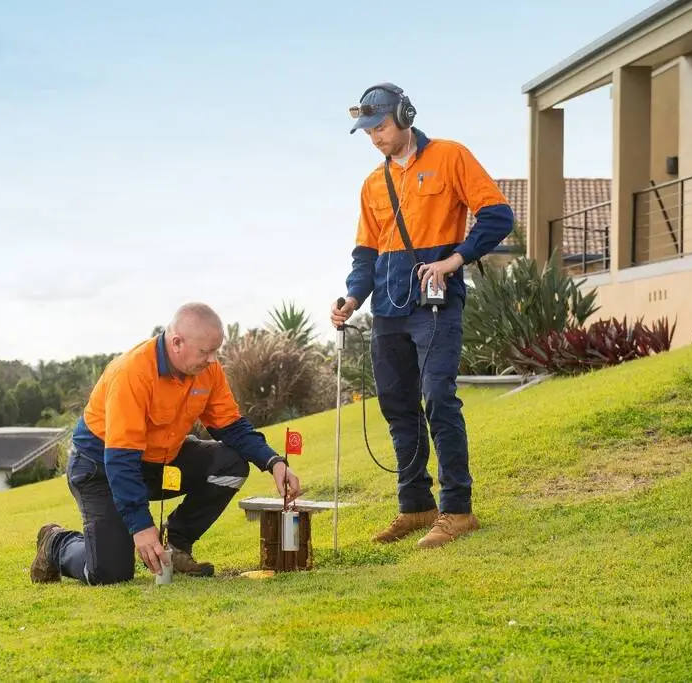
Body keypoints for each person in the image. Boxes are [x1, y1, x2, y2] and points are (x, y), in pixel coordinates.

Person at [331, 82, 513, 549]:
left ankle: (458, 510)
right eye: (367, 131)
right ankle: (415, 506)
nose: (375, 137)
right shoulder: (372, 183)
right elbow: (365, 254)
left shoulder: (450, 156)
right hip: (387, 308)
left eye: (381, 126)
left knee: (437, 398)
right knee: (397, 405)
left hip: (434, 303)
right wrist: (352, 299)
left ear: (405, 116)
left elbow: (497, 216)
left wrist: (456, 259)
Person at [30, 302, 303, 585]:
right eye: (205, 352)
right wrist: (141, 526)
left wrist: (274, 462)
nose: (212, 360)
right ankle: (55, 542)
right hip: (101, 469)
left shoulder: (207, 370)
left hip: (158, 461)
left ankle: (177, 543)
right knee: (110, 573)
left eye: (215, 351)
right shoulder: (132, 373)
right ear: (176, 342)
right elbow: (121, 460)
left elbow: (231, 426)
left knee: (230, 464)